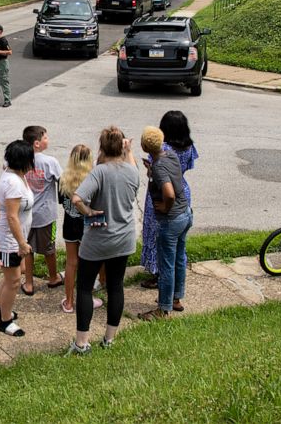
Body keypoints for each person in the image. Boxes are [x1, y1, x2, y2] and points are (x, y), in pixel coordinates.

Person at [68, 126, 140, 355]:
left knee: (85, 287)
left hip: (99, 239)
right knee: (116, 286)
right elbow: (132, 166)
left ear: (101, 147)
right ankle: (109, 338)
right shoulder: (131, 171)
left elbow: (77, 197)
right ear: (122, 146)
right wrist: (129, 151)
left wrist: (88, 211)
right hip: (124, 237)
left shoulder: (99, 172)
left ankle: (82, 342)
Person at [140, 111, 199, 289]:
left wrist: (151, 171)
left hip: (163, 195)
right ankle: (176, 284)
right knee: (179, 243)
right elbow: (188, 166)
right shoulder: (189, 147)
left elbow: (156, 171)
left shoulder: (163, 150)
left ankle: (159, 274)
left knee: (158, 233)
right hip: (183, 191)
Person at [139, 126, 191, 321]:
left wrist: (165, 206)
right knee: (179, 258)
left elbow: (168, 192)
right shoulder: (169, 156)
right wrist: (151, 171)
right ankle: (177, 299)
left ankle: (163, 309)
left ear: (145, 146)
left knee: (166, 264)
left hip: (171, 220)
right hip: (185, 214)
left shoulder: (159, 166)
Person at [0, 140, 35, 336]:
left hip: (13, 239)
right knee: (14, 281)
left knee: (10, 278)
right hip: (10, 241)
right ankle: (5, 321)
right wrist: (22, 243)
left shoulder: (13, 174)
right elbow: (12, 216)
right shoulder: (14, 183)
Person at [57, 144, 103, 314]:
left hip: (69, 224)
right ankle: (87, 297)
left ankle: (68, 302)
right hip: (87, 225)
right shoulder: (92, 178)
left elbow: (62, 202)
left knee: (71, 263)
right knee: (88, 264)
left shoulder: (63, 178)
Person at [21, 125, 63, 296]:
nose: (48, 140)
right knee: (49, 248)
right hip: (46, 214)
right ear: (37, 143)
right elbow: (63, 181)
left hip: (25, 214)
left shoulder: (20, 160)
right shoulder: (50, 162)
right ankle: (53, 278)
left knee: (27, 248)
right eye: (45, 137)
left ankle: (29, 283)